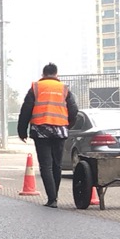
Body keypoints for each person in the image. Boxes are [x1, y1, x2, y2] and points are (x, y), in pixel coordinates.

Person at [17, 62, 80, 208]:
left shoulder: (36, 87)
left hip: (41, 130)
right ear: (56, 74)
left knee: (46, 165)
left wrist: (22, 130)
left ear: (43, 75)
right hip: (60, 130)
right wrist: (67, 124)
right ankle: (55, 196)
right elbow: (74, 110)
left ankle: (52, 199)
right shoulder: (64, 89)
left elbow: (26, 109)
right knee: (57, 164)